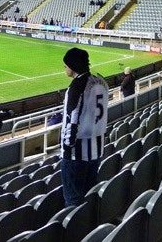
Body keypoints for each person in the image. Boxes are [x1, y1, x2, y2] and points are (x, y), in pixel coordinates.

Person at [61, 47, 108, 207]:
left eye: (66, 64)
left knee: (73, 200)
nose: (64, 67)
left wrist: (67, 148)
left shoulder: (76, 87)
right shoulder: (100, 81)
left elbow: (72, 120)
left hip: (76, 156)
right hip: (96, 151)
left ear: (73, 65)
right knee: (89, 197)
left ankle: (75, 231)